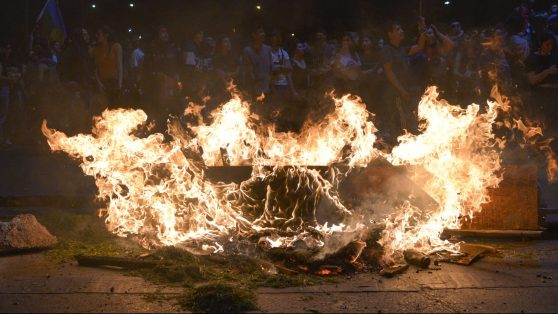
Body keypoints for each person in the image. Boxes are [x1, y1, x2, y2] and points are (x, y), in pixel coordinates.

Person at [380, 18, 426, 138]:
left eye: (401, 28)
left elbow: (420, 46)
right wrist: (402, 91)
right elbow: (389, 73)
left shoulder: (402, 49)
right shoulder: (386, 49)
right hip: (394, 93)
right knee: (401, 123)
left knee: (410, 120)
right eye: (398, 29)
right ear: (390, 34)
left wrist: (422, 30)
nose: (402, 31)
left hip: (405, 92)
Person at [525, 33, 558, 126]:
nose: (550, 47)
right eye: (547, 44)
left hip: (555, 96)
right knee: (542, 126)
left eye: (552, 45)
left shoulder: (555, 57)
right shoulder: (533, 58)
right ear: (541, 44)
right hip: (541, 96)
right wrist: (547, 71)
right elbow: (532, 80)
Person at [92, 25, 123, 108]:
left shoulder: (116, 46)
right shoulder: (96, 49)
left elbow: (120, 67)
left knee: (116, 108)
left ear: (106, 35)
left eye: (99, 34)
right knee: (104, 108)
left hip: (114, 82)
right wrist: (99, 83)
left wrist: (119, 85)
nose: (96, 36)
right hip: (103, 84)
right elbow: (95, 69)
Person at [242, 26, 272, 99]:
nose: (263, 34)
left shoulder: (268, 49)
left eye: (263, 32)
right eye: (260, 32)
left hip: (267, 89)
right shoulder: (247, 51)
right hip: (253, 90)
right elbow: (248, 71)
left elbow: (271, 68)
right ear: (254, 35)